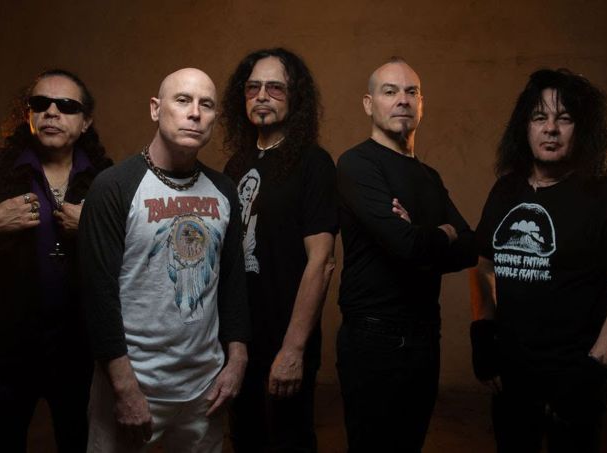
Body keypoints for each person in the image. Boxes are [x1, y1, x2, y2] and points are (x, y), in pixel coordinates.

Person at [79, 68, 249, 453]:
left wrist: (237, 360)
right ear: (156, 109)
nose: (195, 113)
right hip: (134, 385)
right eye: (183, 100)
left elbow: (233, 283)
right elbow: (97, 296)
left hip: (205, 390)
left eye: (206, 105)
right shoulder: (114, 187)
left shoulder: (224, 190)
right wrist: (124, 388)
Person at [0, 69, 112, 452]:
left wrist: (93, 228)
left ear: (86, 121)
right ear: (28, 115)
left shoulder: (108, 183)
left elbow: (138, 265)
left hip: (78, 357)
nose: (51, 112)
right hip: (3, 360)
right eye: (40, 103)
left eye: (66, 105)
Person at [470, 69, 607, 453]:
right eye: (539, 117)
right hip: (512, 377)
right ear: (525, 127)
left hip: (573, 377)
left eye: (565, 118)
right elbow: (484, 266)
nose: (551, 129)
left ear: (582, 128)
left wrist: (592, 373)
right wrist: (483, 335)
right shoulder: (506, 190)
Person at [335, 57, 476, 452]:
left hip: (425, 338)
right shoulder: (356, 164)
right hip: (374, 340)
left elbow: (469, 247)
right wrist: (437, 233)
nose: (402, 100)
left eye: (411, 92)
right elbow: (407, 246)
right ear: (369, 104)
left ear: (421, 104)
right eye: (390, 91)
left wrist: (418, 234)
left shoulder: (429, 176)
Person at [220, 48, 338, 453]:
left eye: (275, 88)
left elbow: (321, 263)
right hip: (239, 341)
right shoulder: (235, 166)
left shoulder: (314, 164)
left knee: (289, 441)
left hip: (284, 339)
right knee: (245, 440)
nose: (262, 96)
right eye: (253, 87)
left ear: (295, 97)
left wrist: (293, 349)